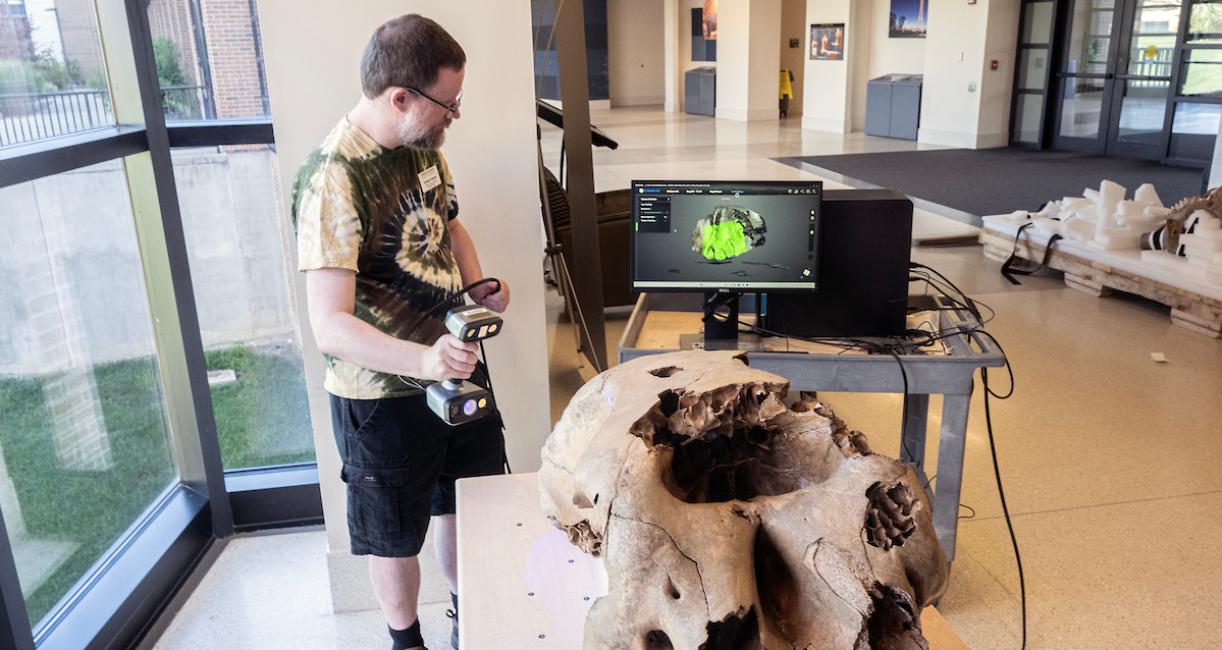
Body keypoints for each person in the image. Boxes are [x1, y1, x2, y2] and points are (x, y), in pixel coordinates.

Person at [291, 14, 509, 650]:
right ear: (401, 98)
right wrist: (426, 360)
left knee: (463, 501)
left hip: (455, 361)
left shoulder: (424, 145)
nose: (455, 117)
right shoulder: (334, 177)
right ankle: (404, 639)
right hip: (382, 398)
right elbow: (330, 326)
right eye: (450, 103)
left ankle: (470, 619)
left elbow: (450, 222)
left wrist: (476, 286)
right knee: (394, 529)